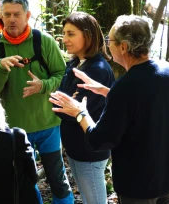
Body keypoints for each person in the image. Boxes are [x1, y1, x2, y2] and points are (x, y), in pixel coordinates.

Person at [50, 15, 169, 203]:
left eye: (110, 40)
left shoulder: (125, 86)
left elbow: (99, 140)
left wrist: (80, 113)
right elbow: (144, 105)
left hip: (139, 187)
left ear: (124, 47)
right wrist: (106, 91)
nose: (107, 44)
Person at [0, 0, 73, 203]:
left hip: (48, 124)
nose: (12, 19)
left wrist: (43, 86)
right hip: (14, 130)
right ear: (1, 18)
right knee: (25, 183)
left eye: (17, 14)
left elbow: (62, 76)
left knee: (57, 180)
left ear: (28, 15)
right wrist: (0, 68)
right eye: (7, 15)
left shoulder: (44, 42)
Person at [57, 12, 115, 203]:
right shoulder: (76, 62)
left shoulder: (97, 69)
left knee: (95, 200)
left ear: (88, 35)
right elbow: (59, 99)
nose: (64, 39)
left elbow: (73, 112)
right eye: (64, 33)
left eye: (71, 34)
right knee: (88, 197)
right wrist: (67, 103)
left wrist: (68, 106)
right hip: (76, 147)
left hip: (89, 150)